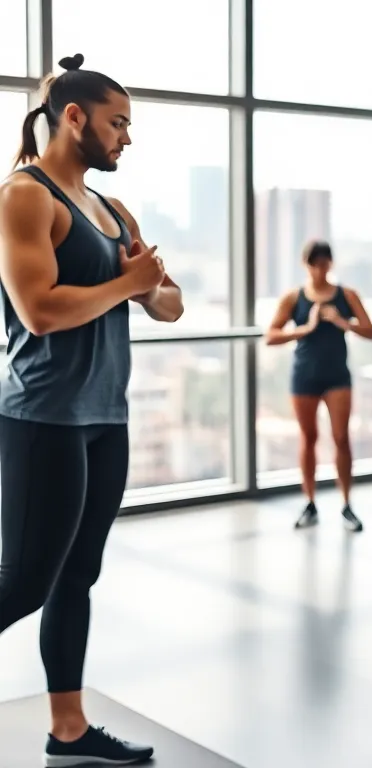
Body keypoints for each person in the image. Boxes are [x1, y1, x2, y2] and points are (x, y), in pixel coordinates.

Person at [0, 54, 184, 766]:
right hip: (42, 416)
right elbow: (39, 311)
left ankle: (69, 732)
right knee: (24, 583)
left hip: (105, 416)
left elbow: (169, 302)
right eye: (118, 123)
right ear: (73, 117)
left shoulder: (112, 210)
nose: (126, 138)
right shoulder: (26, 196)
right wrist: (130, 283)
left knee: (77, 578)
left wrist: (144, 285)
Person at [264, 240, 372, 532]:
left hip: (337, 376)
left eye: (324, 264)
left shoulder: (346, 295)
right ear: (306, 265)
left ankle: (347, 504)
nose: (319, 270)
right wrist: (307, 328)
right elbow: (271, 336)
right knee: (308, 438)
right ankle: (310, 503)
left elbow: (371, 331)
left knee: (341, 438)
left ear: (331, 264)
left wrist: (342, 322)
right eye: (314, 264)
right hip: (304, 376)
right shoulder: (294, 298)